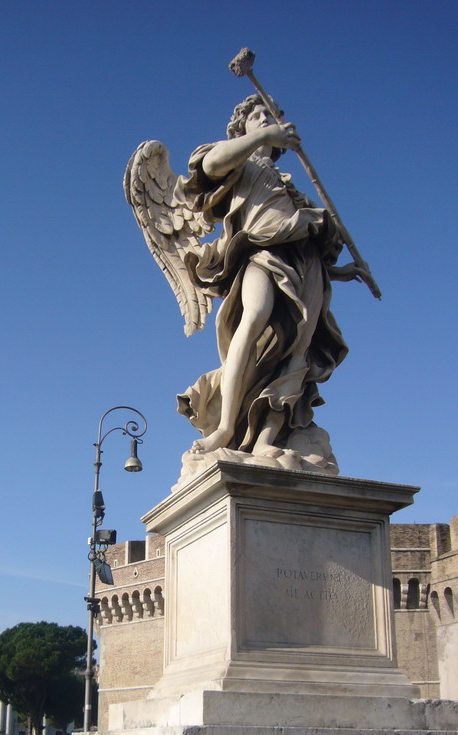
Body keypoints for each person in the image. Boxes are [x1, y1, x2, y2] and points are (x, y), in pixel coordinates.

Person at [127, 96, 370, 467]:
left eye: (275, 117)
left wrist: (340, 270)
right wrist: (262, 137)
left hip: (306, 263)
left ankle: (267, 437)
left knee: (297, 352)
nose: (270, 121)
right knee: (253, 317)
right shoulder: (239, 161)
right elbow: (209, 166)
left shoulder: (290, 186)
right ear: (241, 127)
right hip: (261, 251)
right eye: (261, 116)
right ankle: (226, 427)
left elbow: (307, 233)